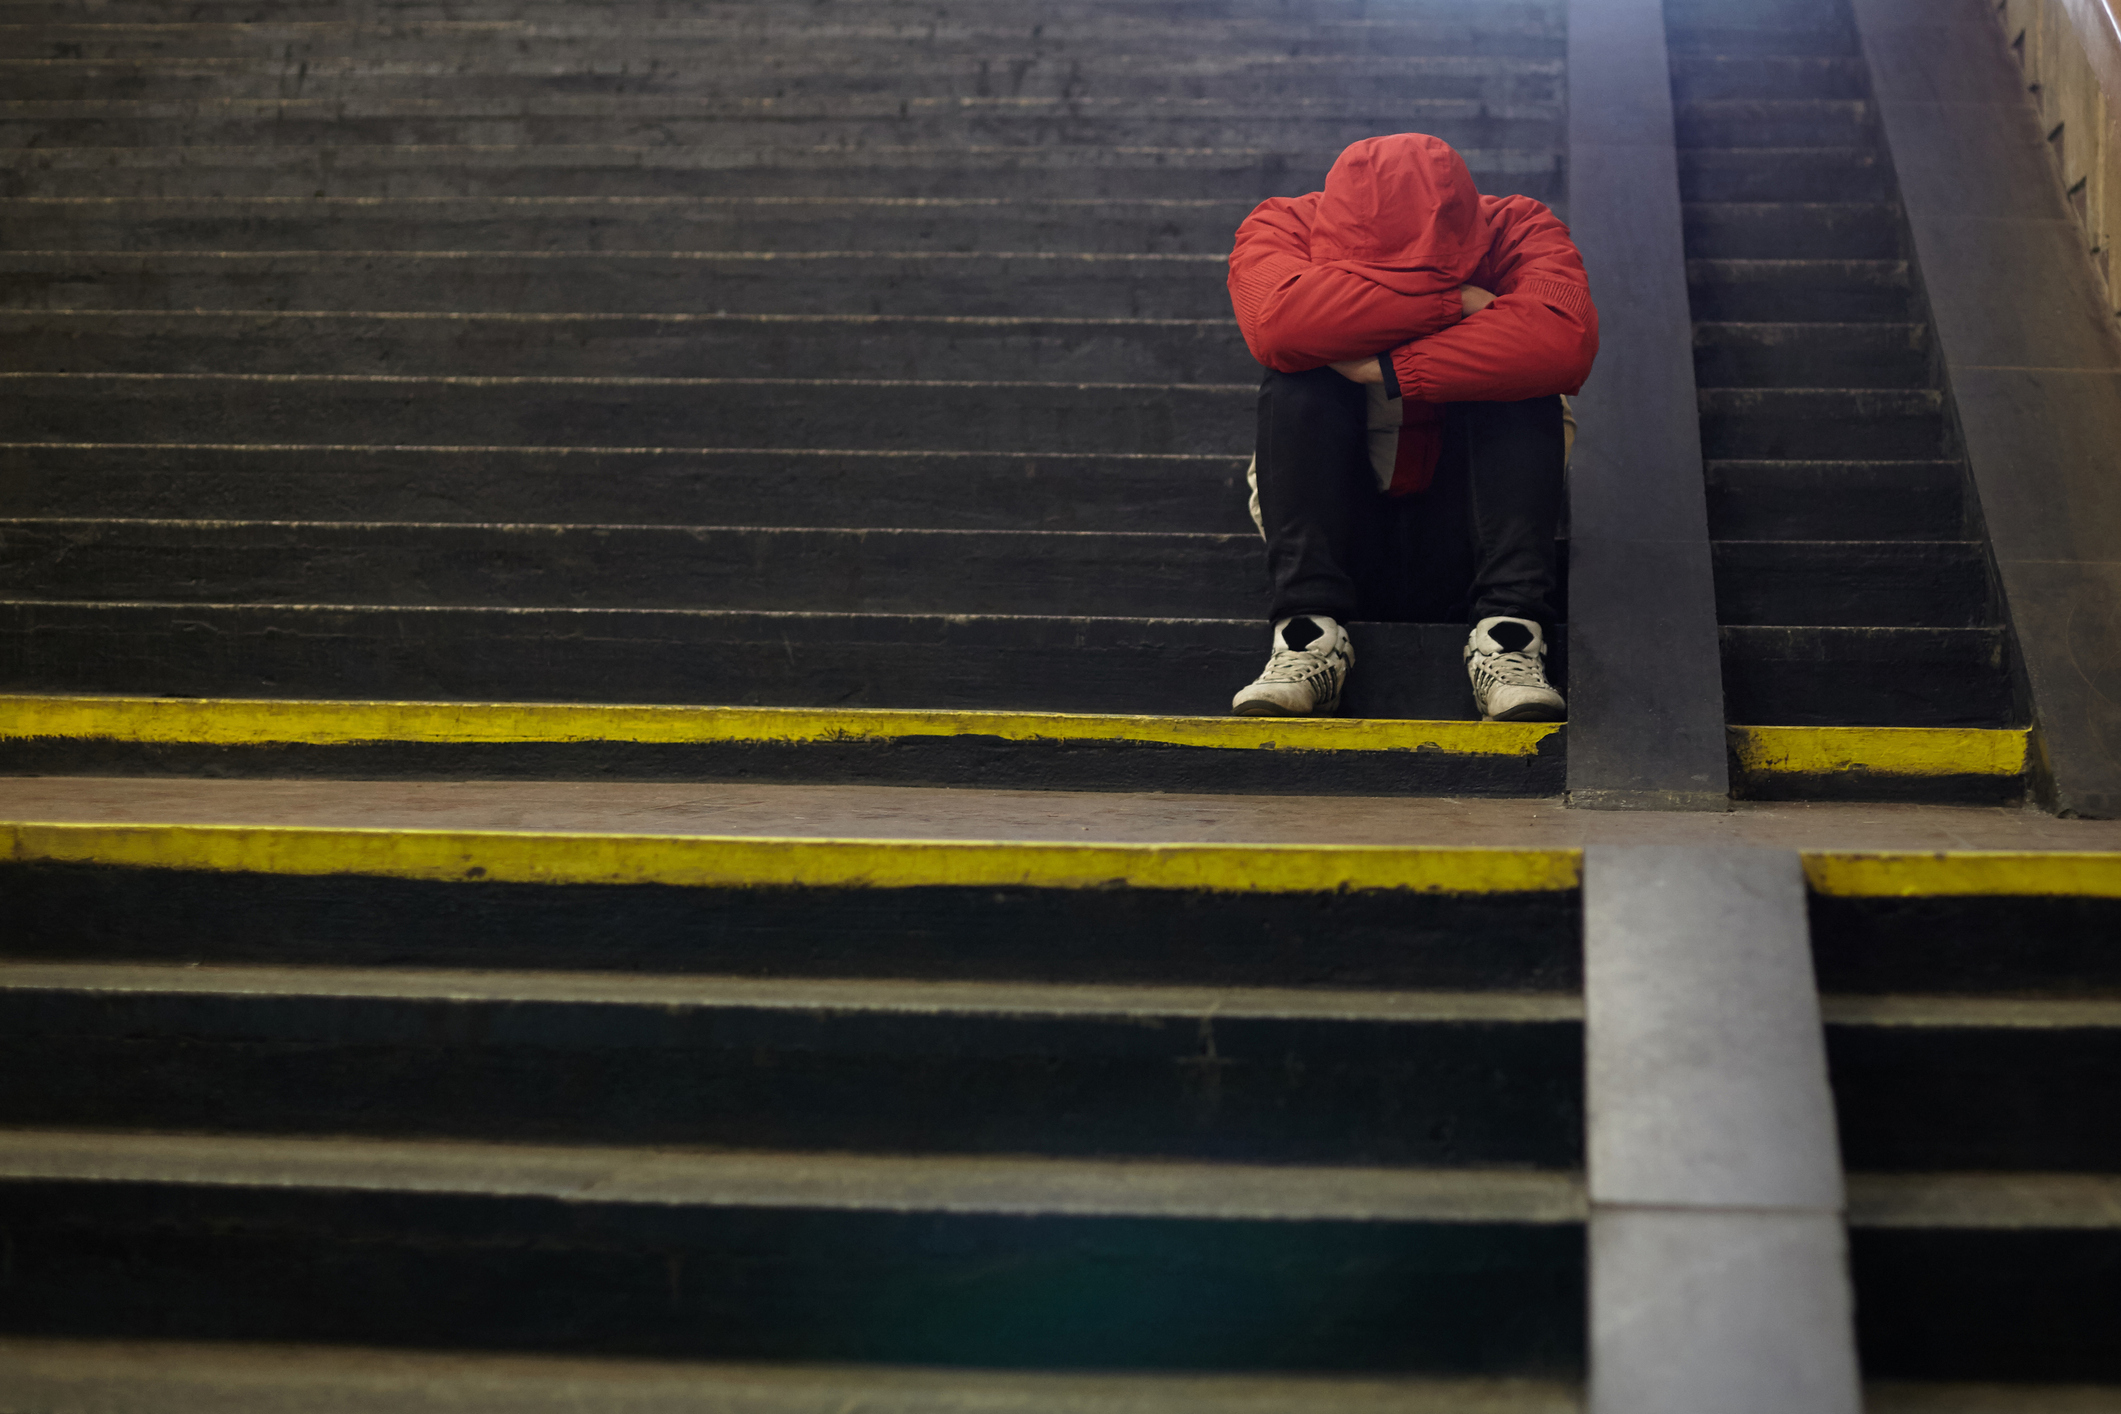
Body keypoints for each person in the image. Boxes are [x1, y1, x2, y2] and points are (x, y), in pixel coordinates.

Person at [1225, 132, 1599, 721]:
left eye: (1430, 264)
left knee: (1521, 374)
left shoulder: (1519, 226)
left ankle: (1510, 639)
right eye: (1384, 267)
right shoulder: (1284, 225)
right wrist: (1459, 302)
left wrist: (1389, 366)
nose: (1408, 272)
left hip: (1473, 546)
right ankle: (1307, 638)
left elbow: (1564, 343)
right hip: (1343, 545)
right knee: (1296, 374)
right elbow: (1276, 327)